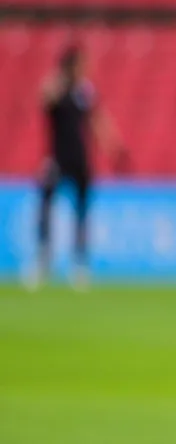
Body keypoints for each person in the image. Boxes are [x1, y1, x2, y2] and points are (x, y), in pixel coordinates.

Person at [28, 43, 125, 291]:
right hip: (57, 157)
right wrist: (62, 81)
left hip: (79, 158)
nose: (87, 68)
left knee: (81, 213)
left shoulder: (85, 92)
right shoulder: (57, 87)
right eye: (82, 63)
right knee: (46, 208)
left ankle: (79, 263)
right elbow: (43, 98)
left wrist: (111, 144)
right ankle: (43, 260)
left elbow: (96, 120)